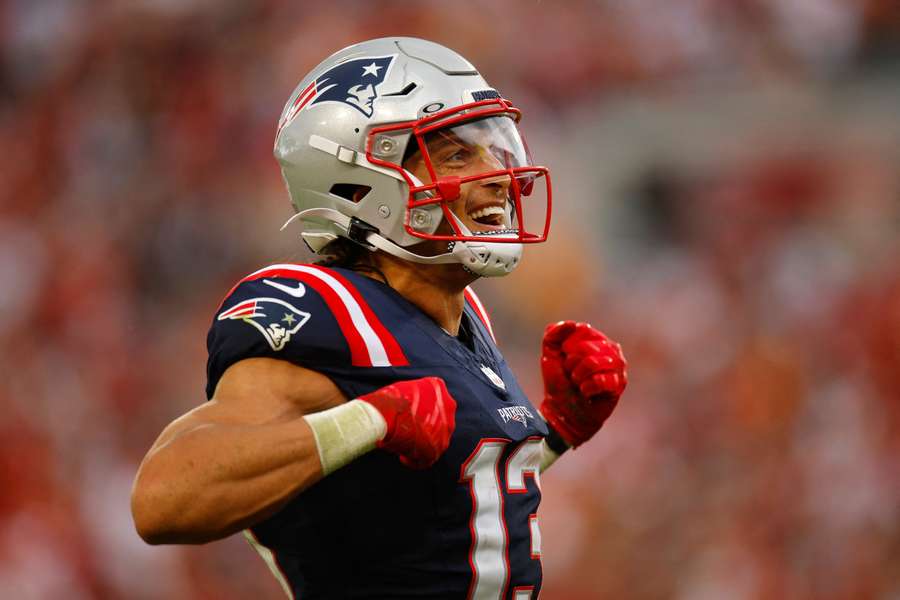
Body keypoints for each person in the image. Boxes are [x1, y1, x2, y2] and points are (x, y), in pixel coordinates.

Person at [131, 37, 627, 600]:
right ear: (363, 182)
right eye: (459, 154)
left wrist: (557, 431)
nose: (495, 174)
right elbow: (163, 499)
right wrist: (367, 420)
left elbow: (447, 506)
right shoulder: (324, 309)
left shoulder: (459, 315)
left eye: (495, 147)